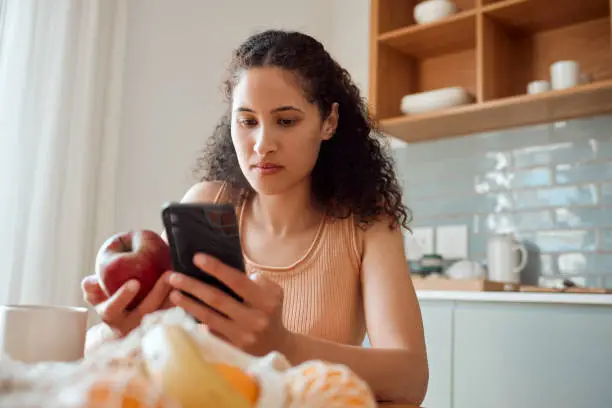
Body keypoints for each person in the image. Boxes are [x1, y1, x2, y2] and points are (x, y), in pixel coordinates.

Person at [81, 29, 428, 404]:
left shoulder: (368, 226)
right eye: (247, 121)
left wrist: (283, 345)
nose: (262, 145)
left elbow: (411, 379)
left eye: (286, 121)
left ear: (328, 121)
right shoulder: (205, 204)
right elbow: (105, 352)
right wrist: (118, 333)